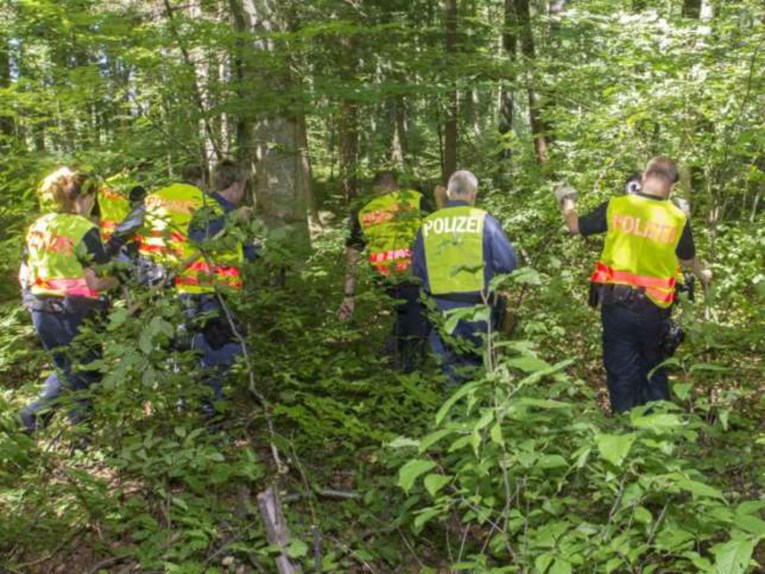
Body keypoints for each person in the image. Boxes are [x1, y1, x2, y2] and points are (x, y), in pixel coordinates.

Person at [556, 156, 711, 414]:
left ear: (644, 176)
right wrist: (703, 275)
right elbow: (687, 260)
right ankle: (657, 433)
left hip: (617, 306)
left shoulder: (618, 205)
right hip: (656, 309)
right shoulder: (676, 217)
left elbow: (575, 226)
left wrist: (566, 200)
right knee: (654, 369)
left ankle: (624, 428)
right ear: (672, 185)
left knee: (621, 370)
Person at [18, 167, 118, 434]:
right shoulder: (82, 228)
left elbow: (24, 272)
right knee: (85, 372)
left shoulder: (39, 226)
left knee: (67, 369)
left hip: (41, 309)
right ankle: (33, 420)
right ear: (83, 198)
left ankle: (73, 436)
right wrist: (121, 277)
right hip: (76, 311)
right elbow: (101, 277)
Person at [412, 170, 518, 384]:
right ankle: (475, 413)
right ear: (473, 194)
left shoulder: (429, 223)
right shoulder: (483, 220)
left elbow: (417, 269)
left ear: (449, 193)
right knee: (477, 369)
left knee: (448, 368)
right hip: (476, 310)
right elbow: (508, 264)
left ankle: (453, 412)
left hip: (438, 308)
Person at [180, 159, 257, 417]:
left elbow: (244, 252)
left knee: (216, 351)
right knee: (223, 351)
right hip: (207, 296)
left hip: (222, 294)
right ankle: (209, 411)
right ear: (235, 185)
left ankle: (209, 407)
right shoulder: (210, 210)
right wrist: (232, 221)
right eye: (243, 186)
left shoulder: (227, 213)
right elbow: (200, 241)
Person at [337, 171, 433, 373]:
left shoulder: (365, 212)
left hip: (383, 279)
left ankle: (392, 355)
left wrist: (348, 295)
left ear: (376, 189)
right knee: (416, 320)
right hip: (414, 274)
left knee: (405, 316)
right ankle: (410, 370)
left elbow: (352, 254)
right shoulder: (415, 200)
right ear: (396, 185)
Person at [136, 165, 208, 287]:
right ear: (202, 179)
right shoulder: (202, 200)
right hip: (179, 263)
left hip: (150, 261)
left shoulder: (155, 196)